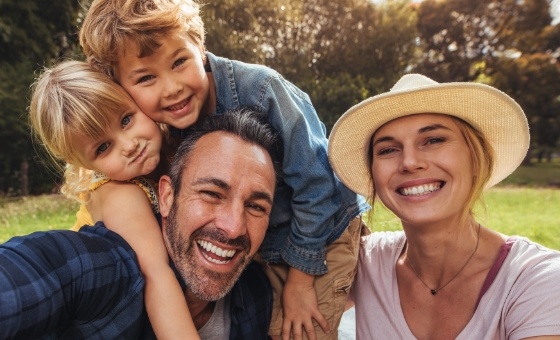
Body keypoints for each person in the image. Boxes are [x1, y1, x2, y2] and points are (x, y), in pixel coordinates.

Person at [79, 1, 370, 339]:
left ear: (200, 48)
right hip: (257, 240)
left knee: (297, 329)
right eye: (146, 78)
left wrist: (300, 280)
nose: (171, 87)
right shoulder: (160, 131)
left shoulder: (262, 90)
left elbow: (319, 185)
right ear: (121, 88)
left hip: (322, 235)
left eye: (179, 62)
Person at [0, 110, 277, 339]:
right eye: (211, 194)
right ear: (166, 195)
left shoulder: (256, 295)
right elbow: (45, 272)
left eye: (255, 206)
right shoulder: (109, 267)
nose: (233, 227)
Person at [328, 73, 560, 339]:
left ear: (476, 158)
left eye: (434, 140)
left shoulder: (537, 280)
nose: (409, 162)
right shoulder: (365, 262)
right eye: (388, 150)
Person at [28, 60, 199, 340]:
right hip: (95, 312)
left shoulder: (171, 146)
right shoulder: (122, 195)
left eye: (126, 120)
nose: (130, 145)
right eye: (104, 147)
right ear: (80, 162)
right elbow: (156, 278)